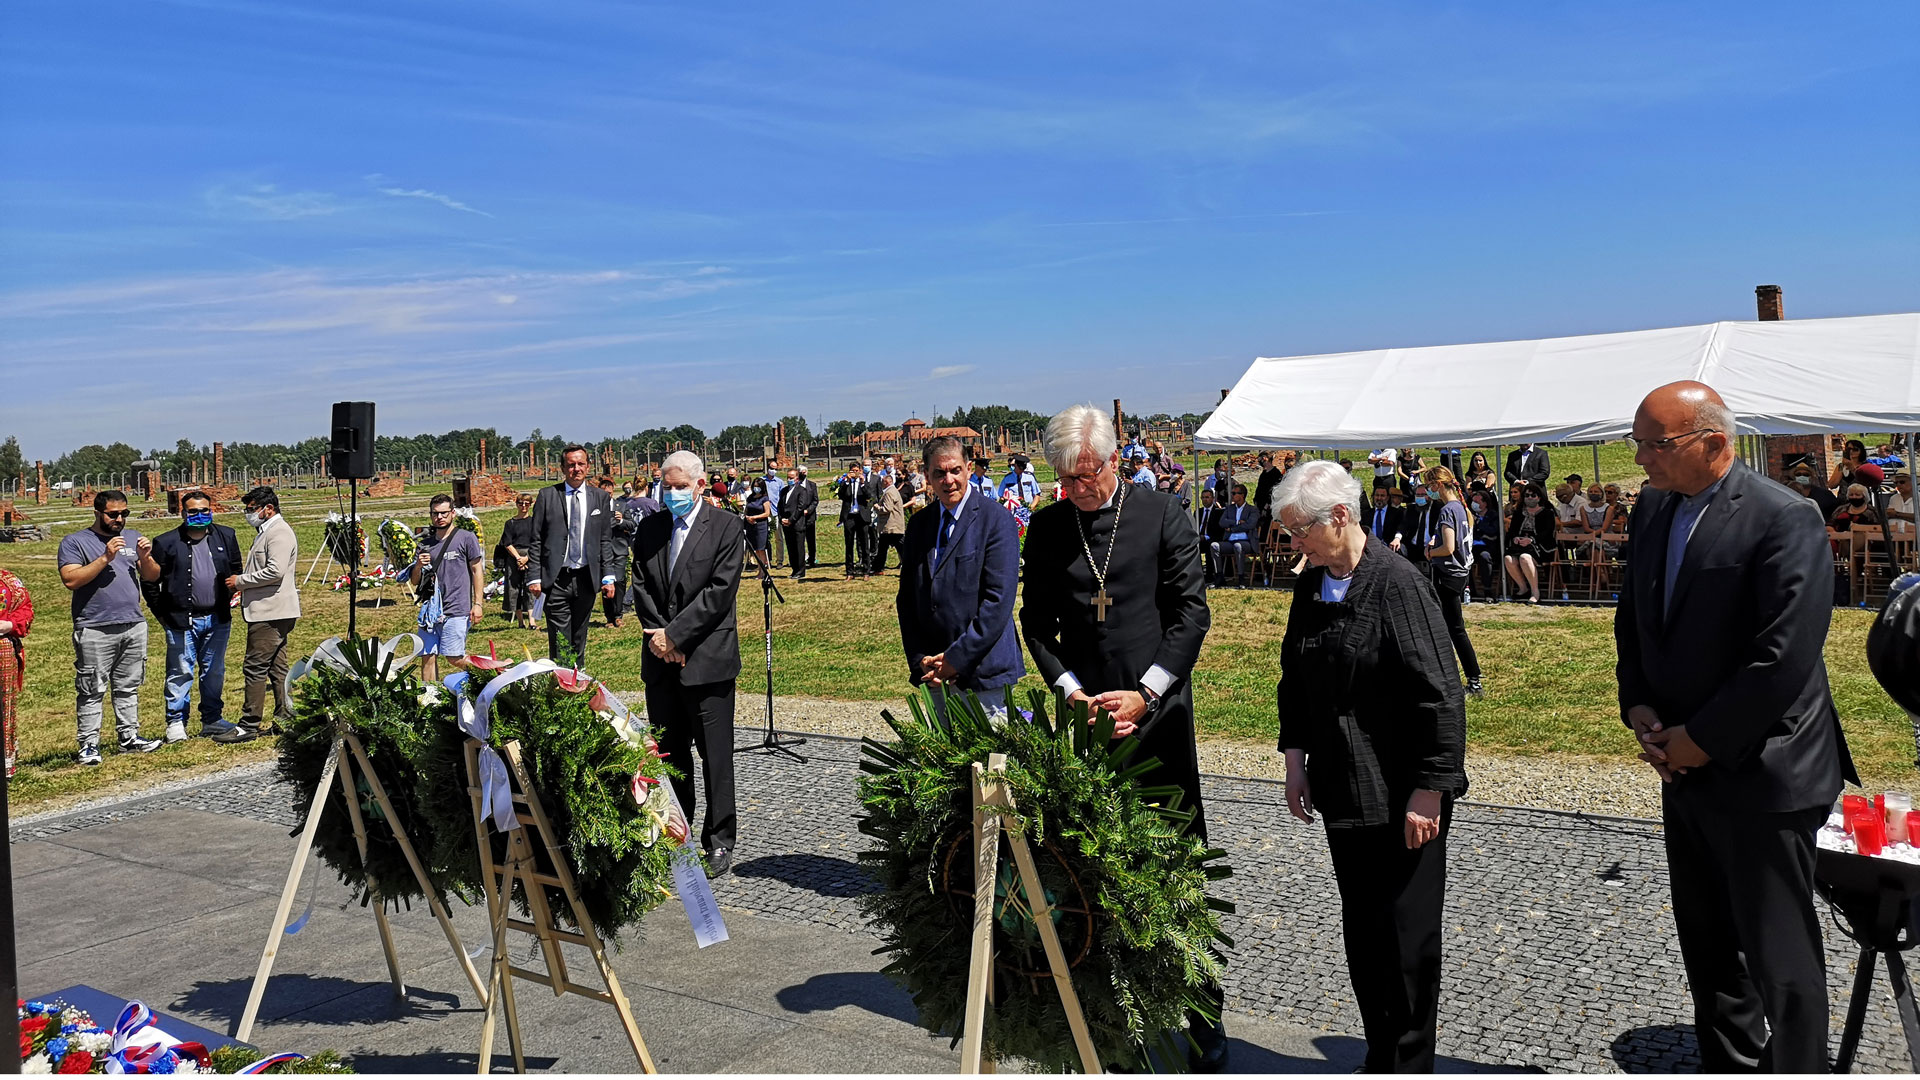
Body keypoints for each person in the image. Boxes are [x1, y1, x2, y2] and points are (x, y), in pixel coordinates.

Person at [1619, 380, 1856, 1073]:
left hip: (1764, 770)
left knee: (1778, 953)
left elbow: (1780, 658)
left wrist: (1701, 740)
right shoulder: (1655, 510)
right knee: (1708, 944)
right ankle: (1728, 1063)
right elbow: (1635, 616)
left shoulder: (1783, 518)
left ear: (1714, 443)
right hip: (1681, 764)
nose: (1642, 461)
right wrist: (1639, 705)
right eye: (1636, 444)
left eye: (1655, 445)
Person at [1019, 404, 1225, 1070]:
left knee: (1177, 866)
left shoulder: (1161, 514)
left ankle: (1200, 1014)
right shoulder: (1049, 529)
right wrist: (1071, 692)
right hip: (1086, 721)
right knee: (1094, 871)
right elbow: (1037, 627)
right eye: (1068, 480)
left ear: (1116, 459)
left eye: (1090, 475)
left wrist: (1148, 692)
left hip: (1157, 718)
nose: (1082, 489)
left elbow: (1192, 613)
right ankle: (1111, 1019)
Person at [1273, 459, 1467, 1074]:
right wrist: (1295, 760)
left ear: (1339, 516)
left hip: (1402, 795)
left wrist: (1431, 789)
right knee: (1364, 933)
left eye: (1298, 529)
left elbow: (1440, 693)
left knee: (1407, 940)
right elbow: (1295, 683)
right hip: (1342, 789)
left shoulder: (1398, 583)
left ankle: (1410, 1063)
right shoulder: (1312, 583)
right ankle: (1379, 1054)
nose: (1292, 542)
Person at [630, 451, 746, 879]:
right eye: (667, 485)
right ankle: (673, 832)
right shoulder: (651, 527)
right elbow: (640, 583)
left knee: (715, 756)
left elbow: (718, 592)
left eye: (681, 486)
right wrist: (661, 638)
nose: (673, 493)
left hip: (707, 661)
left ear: (699, 484)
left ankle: (718, 840)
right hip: (660, 661)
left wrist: (676, 636)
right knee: (670, 753)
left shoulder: (726, 528)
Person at [897, 436, 1026, 717]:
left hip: (984, 672)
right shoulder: (920, 525)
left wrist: (956, 660)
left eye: (955, 470)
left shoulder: (995, 520)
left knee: (992, 759)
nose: (949, 480)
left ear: (968, 468)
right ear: (927, 476)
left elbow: (998, 601)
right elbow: (908, 599)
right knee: (944, 759)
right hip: (934, 672)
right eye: (939, 473)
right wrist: (921, 659)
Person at [59, 490, 163, 764]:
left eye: (124, 514)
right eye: (113, 514)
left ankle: (129, 737)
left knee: (128, 685)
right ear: (97, 513)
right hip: (94, 626)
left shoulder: (132, 537)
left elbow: (152, 576)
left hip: (133, 623)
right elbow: (71, 579)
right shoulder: (76, 542)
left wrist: (147, 557)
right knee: (92, 688)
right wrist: (105, 558)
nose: (119, 519)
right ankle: (88, 745)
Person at [144, 490, 243, 741]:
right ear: (183, 513)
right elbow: (149, 582)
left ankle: (212, 719)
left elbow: (235, 570)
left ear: (211, 510)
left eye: (204, 510)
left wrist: (232, 596)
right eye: (193, 511)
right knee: (180, 670)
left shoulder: (226, 535)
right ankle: (176, 721)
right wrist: (162, 614)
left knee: (214, 671)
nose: (199, 515)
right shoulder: (166, 542)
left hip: (217, 618)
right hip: (180, 619)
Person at [220, 486, 300, 744]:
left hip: (270, 611)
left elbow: (274, 572)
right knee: (278, 668)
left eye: (252, 509)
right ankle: (285, 717)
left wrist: (240, 581)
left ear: (269, 508)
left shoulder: (278, 533)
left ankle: (249, 724)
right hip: (271, 609)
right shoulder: (267, 531)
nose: (248, 513)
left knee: (255, 668)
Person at [526, 445, 620, 664]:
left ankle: (578, 680)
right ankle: (561, 681)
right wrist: (534, 576)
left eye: (580, 464)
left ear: (588, 467)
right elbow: (536, 539)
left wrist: (608, 576)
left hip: (586, 577)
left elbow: (605, 539)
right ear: (562, 468)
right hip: (557, 578)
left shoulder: (599, 498)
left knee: (580, 633)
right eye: (571, 465)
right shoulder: (548, 496)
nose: (576, 469)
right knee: (560, 638)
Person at [1422, 466, 1484, 697]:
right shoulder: (1461, 508)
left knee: (1452, 629)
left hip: (1447, 574)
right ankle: (1469, 677)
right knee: (1453, 628)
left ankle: (1471, 679)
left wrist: (1431, 551)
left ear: (1438, 485)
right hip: (1459, 574)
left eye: (1429, 487)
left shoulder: (1448, 510)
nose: (1428, 491)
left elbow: (1449, 547)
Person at [410, 494, 485, 683]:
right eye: (435, 513)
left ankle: (489, 674)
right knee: (427, 656)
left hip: (456, 608)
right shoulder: (425, 544)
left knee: (454, 657)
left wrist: (478, 604)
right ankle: (430, 699)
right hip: (430, 611)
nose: (439, 517)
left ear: (453, 513)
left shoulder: (466, 538)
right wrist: (418, 565)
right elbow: (414, 581)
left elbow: (477, 571)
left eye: (444, 513)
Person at [2, 565, 35, 778]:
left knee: (5, 706)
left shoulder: (8, 581)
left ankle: (6, 762)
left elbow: (26, 610)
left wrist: (9, 624)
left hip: (3, 650)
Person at [1504, 482, 1556, 604]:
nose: (1530, 498)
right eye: (1527, 496)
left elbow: (1547, 532)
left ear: (1539, 497)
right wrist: (1516, 538)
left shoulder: (1547, 513)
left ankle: (1535, 591)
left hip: (1541, 546)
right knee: (1508, 559)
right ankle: (1523, 588)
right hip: (1520, 544)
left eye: (1533, 495)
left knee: (1525, 558)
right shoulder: (1518, 513)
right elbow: (1512, 531)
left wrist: (1532, 540)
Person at [598, 477, 637, 627]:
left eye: (609, 492)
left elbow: (632, 524)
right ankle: (609, 617)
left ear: (613, 492)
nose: (607, 495)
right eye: (604, 492)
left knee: (619, 581)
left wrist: (621, 521)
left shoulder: (621, 505)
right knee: (607, 582)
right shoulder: (595, 508)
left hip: (619, 549)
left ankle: (618, 614)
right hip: (602, 550)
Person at [496, 493, 536, 628]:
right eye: (520, 503)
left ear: (530, 505)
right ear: (516, 504)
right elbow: (507, 543)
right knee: (514, 589)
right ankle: (520, 621)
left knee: (530, 587)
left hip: (530, 556)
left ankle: (532, 621)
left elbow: (538, 542)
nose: (523, 506)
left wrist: (527, 558)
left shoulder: (534, 522)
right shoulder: (510, 523)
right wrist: (519, 558)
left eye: (526, 503)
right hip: (514, 557)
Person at [1210, 484, 1258, 588]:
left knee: (1238, 546)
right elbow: (1222, 522)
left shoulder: (1252, 509)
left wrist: (1232, 529)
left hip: (1246, 542)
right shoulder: (1229, 508)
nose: (1232, 495)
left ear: (1242, 495)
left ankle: (1241, 579)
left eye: (1234, 493)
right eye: (1232, 493)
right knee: (1214, 545)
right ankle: (1219, 576)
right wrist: (1237, 522)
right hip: (1230, 541)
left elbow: (1249, 525)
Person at [836, 461, 879, 578]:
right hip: (849, 516)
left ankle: (866, 570)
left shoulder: (864, 482)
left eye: (856, 471)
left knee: (864, 544)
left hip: (861, 516)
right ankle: (849, 571)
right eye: (852, 471)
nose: (855, 473)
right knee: (849, 544)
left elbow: (869, 496)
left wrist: (862, 483)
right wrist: (846, 482)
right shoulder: (847, 483)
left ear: (860, 471)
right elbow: (841, 495)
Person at [779, 465, 819, 579]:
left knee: (798, 548)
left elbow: (800, 507)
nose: (789, 480)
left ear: (797, 478)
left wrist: (791, 520)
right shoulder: (784, 491)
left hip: (797, 523)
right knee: (790, 547)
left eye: (791, 477)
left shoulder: (802, 491)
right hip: (786, 524)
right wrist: (782, 518)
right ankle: (794, 569)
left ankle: (801, 571)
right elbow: (780, 506)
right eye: (788, 477)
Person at [1467, 489, 1501, 599]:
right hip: (1472, 546)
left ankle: (1488, 590)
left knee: (1484, 557)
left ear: (1485, 503)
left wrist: (1478, 522)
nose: (1474, 504)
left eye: (1477, 502)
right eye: (1473, 501)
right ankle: (1470, 589)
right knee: (1463, 557)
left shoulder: (1493, 515)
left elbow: (1493, 531)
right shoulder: (1469, 515)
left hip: (1487, 546)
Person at [871, 473, 906, 574]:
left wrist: (877, 507)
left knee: (900, 548)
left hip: (891, 526)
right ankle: (878, 568)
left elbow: (887, 508)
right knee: (883, 547)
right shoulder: (893, 491)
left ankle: (910, 565)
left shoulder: (889, 492)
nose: (881, 483)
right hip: (891, 526)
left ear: (886, 482)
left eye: (882, 482)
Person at [743, 476, 775, 573]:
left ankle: (762, 571)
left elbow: (767, 513)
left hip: (760, 526)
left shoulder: (764, 498)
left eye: (758, 486)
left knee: (761, 549)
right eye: (754, 486)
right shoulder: (750, 497)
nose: (756, 488)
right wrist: (748, 517)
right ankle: (759, 567)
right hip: (750, 525)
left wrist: (755, 517)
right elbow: (746, 510)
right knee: (755, 549)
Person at [1363, 483, 1404, 548]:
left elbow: (1401, 528)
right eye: (1377, 495)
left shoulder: (1397, 513)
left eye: (1382, 496)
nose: (1379, 498)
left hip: (1389, 547)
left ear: (1387, 498)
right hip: (1370, 546)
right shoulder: (1366, 514)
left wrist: (1397, 539)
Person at [1196, 487, 1223, 583]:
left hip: (1212, 538)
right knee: (1193, 546)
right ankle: (1197, 574)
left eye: (1207, 497)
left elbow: (1219, 530)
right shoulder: (1198, 512)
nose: (1205, 499)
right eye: (1203, 497)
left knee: (1209, 547)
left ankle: (1209, 575)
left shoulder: (1218, 512)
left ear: (1212, 498)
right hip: (1199, 538)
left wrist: (1206, 537)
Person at [762, 466, 787, 567]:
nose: (773, 470)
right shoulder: (761, 480)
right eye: (771, 468)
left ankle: (779, 560)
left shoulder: (779, 482)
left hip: (776, 512)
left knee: (778, 538)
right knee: (763, 537)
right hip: (764, 512)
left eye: (775, 468)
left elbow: (782, 497)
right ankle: (765, 561)